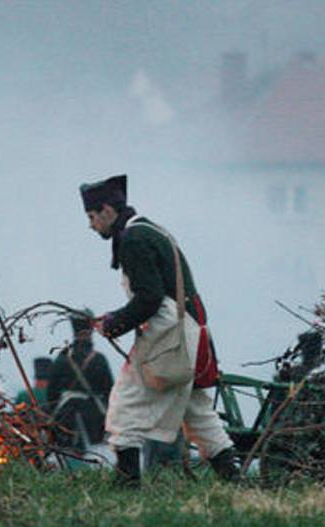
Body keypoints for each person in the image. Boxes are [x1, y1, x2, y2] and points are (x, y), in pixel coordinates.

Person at [79, 174, 238, 487]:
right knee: (198, 415)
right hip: (188, 333)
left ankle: (126, 488)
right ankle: (236, 483)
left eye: (92, 216)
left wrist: (114, 322)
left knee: (125, 406)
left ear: (107, 210)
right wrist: (118, 318)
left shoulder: (134, 239)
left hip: (170, 336)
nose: (91, 224)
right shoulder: (149, 230)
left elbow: (150, 297)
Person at [47, 311, 114, 448]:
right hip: (94, 416)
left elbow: (52, 394)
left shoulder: (62, 359)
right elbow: (110, 392)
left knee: (65, 450)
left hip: (65, 415)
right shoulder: (99, 360)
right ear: (91, 331)